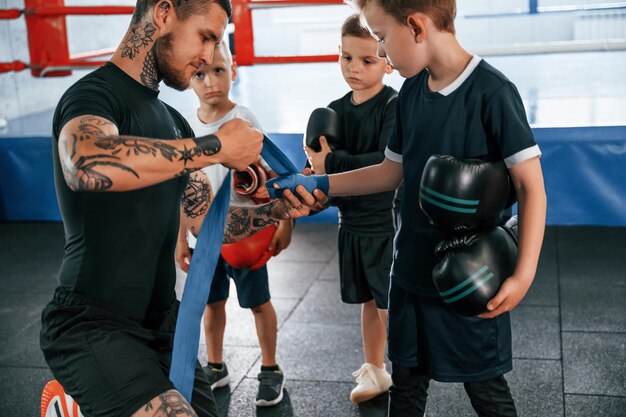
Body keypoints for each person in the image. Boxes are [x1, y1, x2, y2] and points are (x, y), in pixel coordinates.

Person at [275, 0, 547, 415]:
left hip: (466, 277)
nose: (382, 52)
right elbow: (389, 172)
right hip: (408, 273)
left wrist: (524, 275)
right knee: (405, 387)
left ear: (417, 28)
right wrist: (319, 182)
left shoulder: (493, 92)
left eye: (383, 38)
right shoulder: (412, 92)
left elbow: (531, 188)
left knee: (486, 390)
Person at [39, 1, 309, 417]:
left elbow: (207, 223)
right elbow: (85, 163)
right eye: (205, 36)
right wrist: (215, 147)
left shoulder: (173, 122)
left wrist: (276, 212)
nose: (207, 55)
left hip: (165, 330)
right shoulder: (95, 95)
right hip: (93, 325)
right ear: (163, 13)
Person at [175, 41, 291, 407]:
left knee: (259, 303)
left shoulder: (244, 119)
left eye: (218, 71)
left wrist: (286, 223)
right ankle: (215, 365)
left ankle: (270, 368)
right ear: (188, 79)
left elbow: (274, 176)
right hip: (204, 240)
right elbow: (184, 187)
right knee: (212, 304)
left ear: (233, 70)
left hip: (248, 237)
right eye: (199, 74)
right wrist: (180, 240)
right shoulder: (186, 126)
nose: (210, 82)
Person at [304, 13, 397, 404]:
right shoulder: (334, 110)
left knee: (392, 306)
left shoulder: (395, 107)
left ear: (388, 61)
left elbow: (385, 164)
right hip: (351, 222)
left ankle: (409, 377)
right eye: (346, 58)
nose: (354, 69)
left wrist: (331, 165)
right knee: (369, 303)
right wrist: (313, 171)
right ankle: (375, 370)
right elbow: (321, 166)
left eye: (367, 61)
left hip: (386, 223)